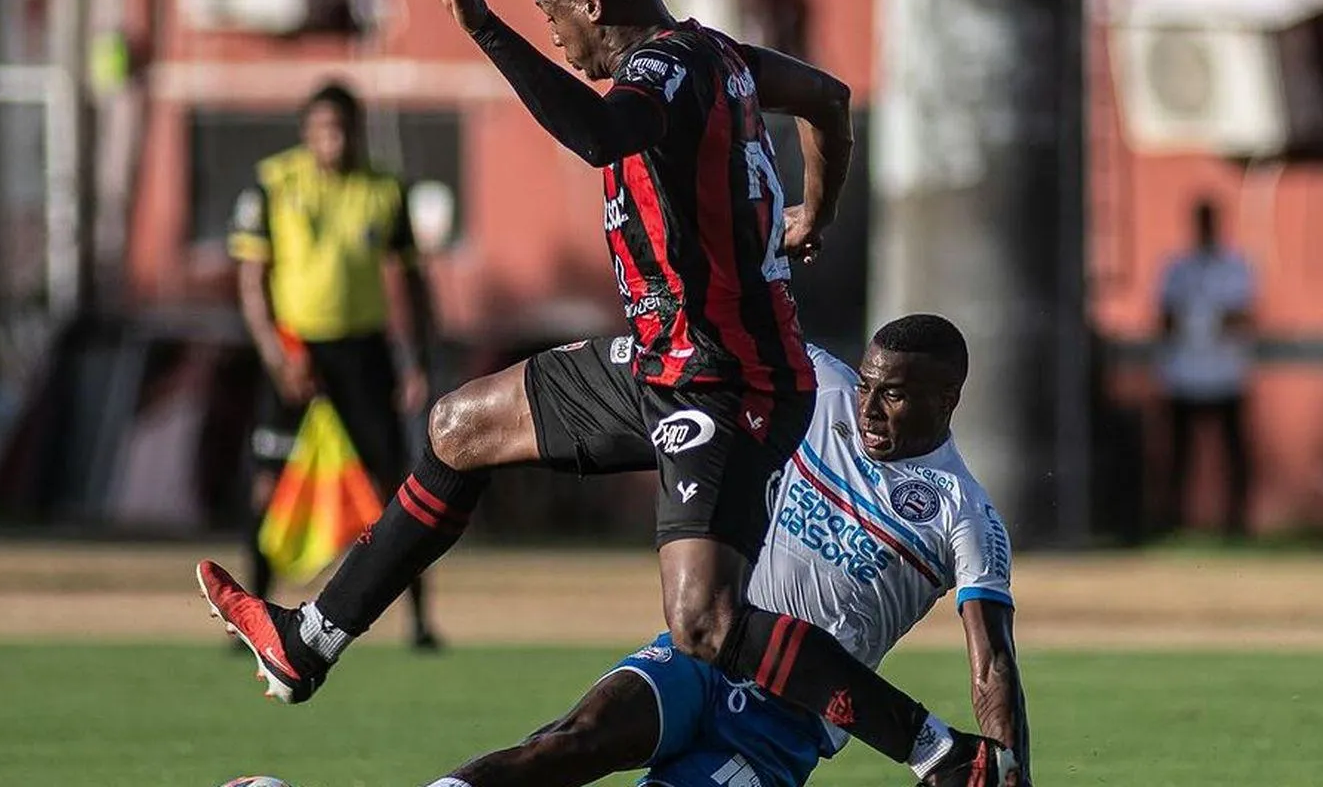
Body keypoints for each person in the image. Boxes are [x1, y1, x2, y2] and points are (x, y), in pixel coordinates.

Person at [198, 0, 1011, 782]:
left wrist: (485, 28)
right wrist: (815, 215)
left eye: (549, 12)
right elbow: (827, 99)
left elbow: (597, 135)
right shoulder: (716, 57)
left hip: (728, 382)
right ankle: (310, 638)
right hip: (661, 359)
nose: (550, 33)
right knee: (457, 428)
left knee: (703, 620)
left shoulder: (664, 71)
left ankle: (938, 751)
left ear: (590, 1)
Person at [423, 315, 1028, 787]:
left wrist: (1009, 771)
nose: (867, 408)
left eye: (892, 396)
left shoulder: (965, 513)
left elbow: (993, 666)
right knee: (570, 742)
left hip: (783, 725)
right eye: (868, 385)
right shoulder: (817, 386)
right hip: (708, 652)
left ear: (947, 398)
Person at [228, 81, 440, 649]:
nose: (334, 140)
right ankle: (250, 613)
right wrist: (276, 355)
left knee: (400, 488)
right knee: (268, 483)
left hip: (364, 352)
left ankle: (418, 619)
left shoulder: (383, 190)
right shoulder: (274, 183)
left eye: (343, 129)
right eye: (323, 129)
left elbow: (412, 279)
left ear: (357, 131)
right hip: (295, 351)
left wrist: (417, 358)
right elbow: (252, 280)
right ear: (306, 133)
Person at [1156, 197, 1256, 541]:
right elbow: (1164, 317)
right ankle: (1175, 520)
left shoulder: (1234, 265)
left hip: (1225, 373)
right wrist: (1206, 319)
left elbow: (1242, 316)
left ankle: (1236, 521)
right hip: (1184, 374)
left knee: (1233, 453)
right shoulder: (1177, 268)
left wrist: (1198, 318)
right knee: (1180, 454)